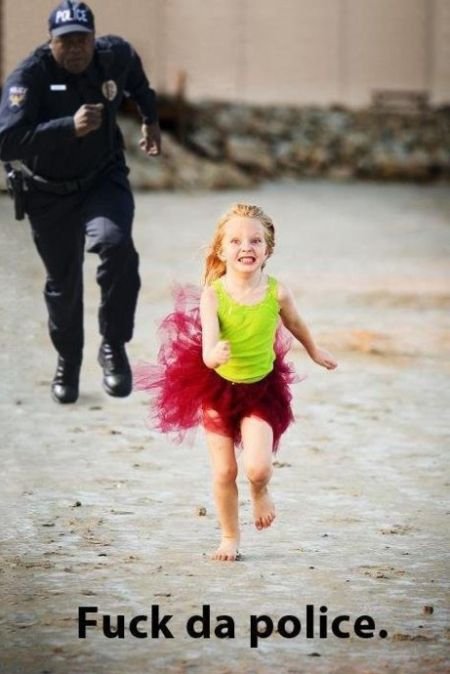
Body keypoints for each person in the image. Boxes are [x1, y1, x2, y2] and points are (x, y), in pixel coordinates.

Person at [135, 203, 338, 562]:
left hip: (262, 389)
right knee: (225, 470)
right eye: (236, 241)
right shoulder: (213, 294)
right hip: (217, 388)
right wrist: (214, 354)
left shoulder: (277, 292)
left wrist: (314, 349)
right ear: (221, 250)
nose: (246, 247)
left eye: (255, 240)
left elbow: (295, 323)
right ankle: (229, 536)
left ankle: (259, 492)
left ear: (268, 249)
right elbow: (209, 347)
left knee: (258, 468)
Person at [0, 0, 161, 404]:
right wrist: (68, 128)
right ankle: (68, 362)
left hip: (101, 178)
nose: (75, 49)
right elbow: (6, 142)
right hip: (46, 192)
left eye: (82, 40)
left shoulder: (113, 56)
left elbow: (137, 79)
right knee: (63, 283)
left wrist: (150, 118)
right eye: (65, 41)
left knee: (116, 246)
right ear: (51, 42)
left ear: (93, 38)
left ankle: (113, 346)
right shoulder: (28, 77)